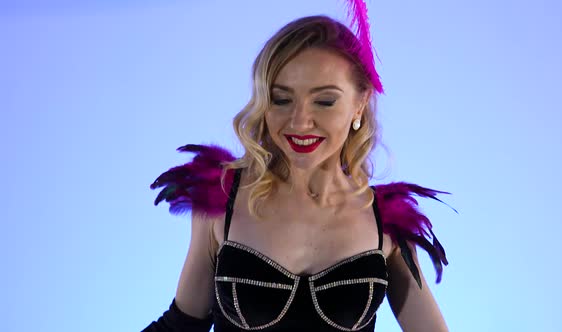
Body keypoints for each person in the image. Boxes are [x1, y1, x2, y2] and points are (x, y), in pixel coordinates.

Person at [142, 7, 454, 332]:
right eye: (281, 100)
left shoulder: (386, 224)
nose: (300, 122)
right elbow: (179, 327)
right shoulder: (221, 202)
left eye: (324, 101)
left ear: (360, 103)